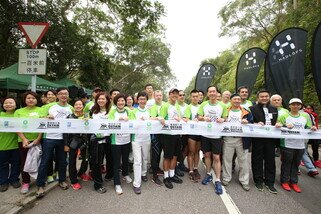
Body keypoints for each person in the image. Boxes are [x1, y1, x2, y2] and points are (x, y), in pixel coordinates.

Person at [36, 87, 73, 198]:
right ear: (57, 95)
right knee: (45, 161)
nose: (63, 96)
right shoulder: (48, 106)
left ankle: (62, 180)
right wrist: (45, 117)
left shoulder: (71, 108)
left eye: (65, 94)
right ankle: (40, 185)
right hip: (49, 138)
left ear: (68, 95)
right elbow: (38, 119)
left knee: (62, 161)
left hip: (63, 139)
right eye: (61, 94)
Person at [276, 98, 317, 193]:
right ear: (289, 106)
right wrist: (284, 125)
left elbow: (308, 127)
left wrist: (312, 127)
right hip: (287, 144)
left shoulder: (305, 116)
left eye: (298, 104)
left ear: (300, 106)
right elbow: (278, 126)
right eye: (293, 104)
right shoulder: (284, 115)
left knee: (296, 164)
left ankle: (294, 182)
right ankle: (285, 181)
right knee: (287, 163)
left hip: (300, 145)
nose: (295, 106)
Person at [198, 85, 227, 195]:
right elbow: (199, 116)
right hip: (205, 134)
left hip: (217, 136)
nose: (212, 93)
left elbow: (226, 118)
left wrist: (223, 119)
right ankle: (209, 174)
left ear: (216, 93)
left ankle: (218, 180)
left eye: (214, 91)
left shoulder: (222, 105)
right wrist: (203, 118)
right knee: (207, 156)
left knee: (216, 157)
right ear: (208, 94)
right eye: (210, 91)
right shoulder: (204, 104)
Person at [222, 93, 253, 191]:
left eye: (238, 99)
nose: (237, 101)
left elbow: (252, 124)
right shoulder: (225, 110)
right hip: (228, 138)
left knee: (243, 161)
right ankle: (226, 178)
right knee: (227, 160)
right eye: (235, 99)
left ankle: (244, 181)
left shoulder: (246, 112)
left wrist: (247, 122)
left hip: (242, 140)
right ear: (231, 100)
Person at [250, 89, 278, 194]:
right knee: (257, 160)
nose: (264, 98)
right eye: (262, 97)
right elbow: (248, 122)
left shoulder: (274, 109)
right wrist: (255, 124)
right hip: (258, 138)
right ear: (258, 98)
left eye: (266, 96)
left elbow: (278, 121)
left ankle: (270, 182)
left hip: (271, 139)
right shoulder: (252, 109)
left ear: (269, 97)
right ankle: (258, 181)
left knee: (270, 160)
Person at [14, 91, 43, 194]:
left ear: (36, 100)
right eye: (28, 98)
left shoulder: (41, 110)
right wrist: (23, 139)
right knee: (24, 161)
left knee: (39, 161)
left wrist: (39, 138)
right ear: (24, 100)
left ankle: (40, 181)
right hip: (23, 140)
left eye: (33, 98)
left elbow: (43, 125)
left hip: (38, 139)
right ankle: (26, 182)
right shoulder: (18, 111)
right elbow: (16, 126)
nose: (30, 100)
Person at [158, 88, 183, 189]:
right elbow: (160, 117)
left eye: (176, 94)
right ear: (169, 94)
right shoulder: (165, 105)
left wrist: (179, 119)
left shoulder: (177, 105)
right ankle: (166, 177)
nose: (175, 95)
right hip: (167, 135)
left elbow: (179, 118)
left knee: (175, 156)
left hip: (176, 134)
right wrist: (161, 118)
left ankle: (172, 175)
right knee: (167, 157)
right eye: (173, 93)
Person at [108, 93, 133, 195]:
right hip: (116, 141)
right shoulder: (112, 112)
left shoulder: (129, 111)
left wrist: (129, 119)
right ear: (116, 102)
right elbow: (109, 124)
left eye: (122, 101)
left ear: (125, 102)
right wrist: (119, 120)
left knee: (126, 158)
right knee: (116, 162)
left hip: (127, 139)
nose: (121, 102)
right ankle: (117, 183)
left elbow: (134, 122)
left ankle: (125, 174)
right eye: (118, 101)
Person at [64, 100, 89, 191]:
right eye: (76, 104)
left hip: (85, 140)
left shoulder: (87, 115)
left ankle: (81, 173)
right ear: (73, 106)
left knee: (86, 159)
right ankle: (73, 181)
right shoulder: (69, 117)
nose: (78, 106)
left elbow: (90, 127)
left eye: (80, 104)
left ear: (83, 106)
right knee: (72, 161)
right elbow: (65, 131)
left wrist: (88, 121)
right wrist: (66, 144)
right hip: (73, 141)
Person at [89, 92, 112, 193]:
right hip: (96, 140)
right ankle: (97, 184)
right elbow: (85, 122)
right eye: (99, 99)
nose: (101, 100)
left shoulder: (111, 111)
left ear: (107, 100)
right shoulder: (92, 111)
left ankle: (109, 175)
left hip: (109, 138)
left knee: (110, 159)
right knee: (97, 162)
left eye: (103, 99)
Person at [131, 92, 151, 194]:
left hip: (146, 138)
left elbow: (153, 121)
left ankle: (143, 174)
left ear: (146, 100)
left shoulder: (149, 111)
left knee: (145, 158)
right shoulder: (133, 111)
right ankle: (136, 184)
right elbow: (130, 124)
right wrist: (139, 121)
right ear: (137, 100)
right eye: (140, 99)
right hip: (136, 139)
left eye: (144, 99)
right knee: (137, 161)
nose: (142, 101)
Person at [0, 97, 20, 192]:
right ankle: (3, 182)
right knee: (3, 165)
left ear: (16, 104)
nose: (8, 104)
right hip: (2, 145)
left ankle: (14, 179)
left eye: (11, 103)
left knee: (16, 164)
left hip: (16, 145)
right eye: (6, 103)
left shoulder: (19, 115)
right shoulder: (0, 115)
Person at [182, 89, 201, 182]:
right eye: (193, 96)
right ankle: (190, 170)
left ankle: (196, 168)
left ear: (199, 97)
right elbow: (186, 118)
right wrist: (188, 119)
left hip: (200, 132)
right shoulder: (188, 107)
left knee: (197, 152)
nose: (195, 98)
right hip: (191, 133)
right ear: (190, 97)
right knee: (191, 152)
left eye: (196, 96)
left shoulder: (202, 107)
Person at [150, 90, 165, 186]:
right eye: (157, 95)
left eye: (160, 95)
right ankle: (154, 175)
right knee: (155, 153)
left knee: (161, 154)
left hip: (165, 133)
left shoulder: (166, 105)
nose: (159, 97)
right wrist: (158, 118)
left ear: (162, 96)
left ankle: (159, 169)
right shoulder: (153, 107)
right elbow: (150, 118)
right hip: (156, 134)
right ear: (154, 97)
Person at [176, 90, 189, 175]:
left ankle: (181, 163)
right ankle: (175, 166)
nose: (182, 96)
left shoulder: (187, 106)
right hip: (176, 131)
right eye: (180, 95)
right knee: (177, 150)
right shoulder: (174, 105)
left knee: (185, 148)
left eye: (183, 95)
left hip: (186, 131)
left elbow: (187, 117)